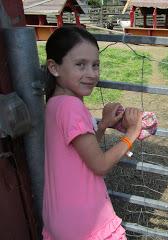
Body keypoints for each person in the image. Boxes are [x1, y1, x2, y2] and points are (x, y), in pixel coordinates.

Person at [42, 26, 142, 240]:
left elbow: (83, 154)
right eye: (80, 65)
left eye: (95, 65)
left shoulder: (54, 103)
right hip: (86, 221)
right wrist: (133, 132)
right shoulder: (72, 107)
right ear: (54, 67)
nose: (92, 74)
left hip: (61, 217)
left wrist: (103, 125)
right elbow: (100, 165)